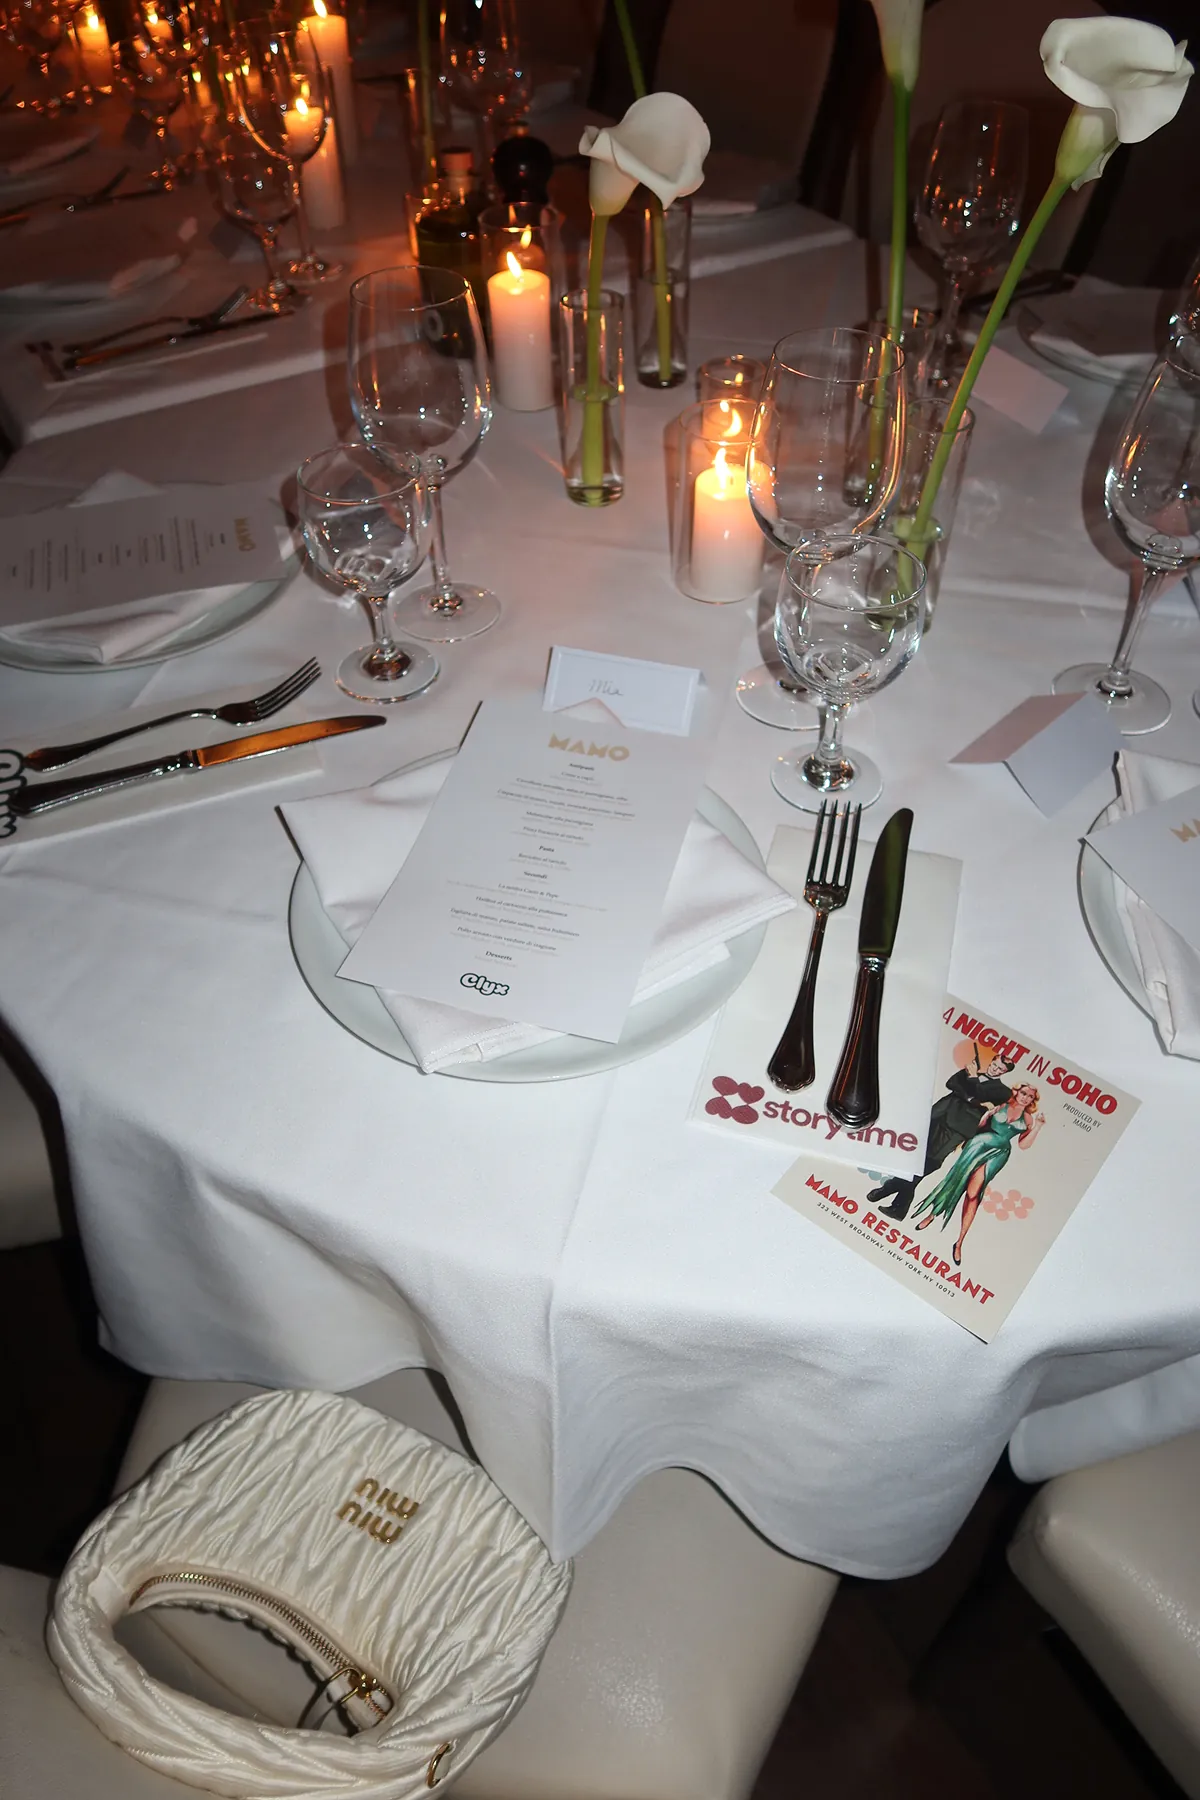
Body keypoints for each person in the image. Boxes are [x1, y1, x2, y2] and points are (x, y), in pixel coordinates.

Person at [866, 1049, 1015, 1221]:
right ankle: (898, 1206)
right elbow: (952, 1084)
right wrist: (973, 1101)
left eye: (1000, 1069)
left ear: (1004, 1073)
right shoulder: (973, 1071)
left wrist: (973, 1080)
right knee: (914, 1156)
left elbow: (981, 1093)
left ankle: (890, 1190)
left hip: (957, 1127)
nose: (995, 1069)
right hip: (938, 1115)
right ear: (992, 1062)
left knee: (930, 1161)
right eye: (995, 1065)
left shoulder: (1004, 1091)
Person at [911, 1084, 1045, 1267]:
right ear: (1016, 1092)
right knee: (956, 1180)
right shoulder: (1000, 1105)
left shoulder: (1028, 1119)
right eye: (1024, 1093)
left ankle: (959, 1242)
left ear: (1032, 1100)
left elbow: (1023, 1145)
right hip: (977, 1146)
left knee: (974, 1194)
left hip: (999, 1153)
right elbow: (980, 1124)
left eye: (1030, 1097)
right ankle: (933, 1214)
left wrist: (1037, 1127)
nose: (1026, 1098)